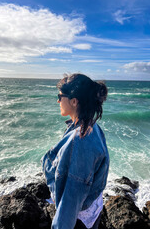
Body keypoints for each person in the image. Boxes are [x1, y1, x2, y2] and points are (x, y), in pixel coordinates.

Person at [41, 73, 109, 229]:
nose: (58, 100)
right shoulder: (92, 127)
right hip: (92, 212)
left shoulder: (79, 140)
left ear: (74, 101)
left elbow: (71, 198)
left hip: (78, 221)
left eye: (60, 96)